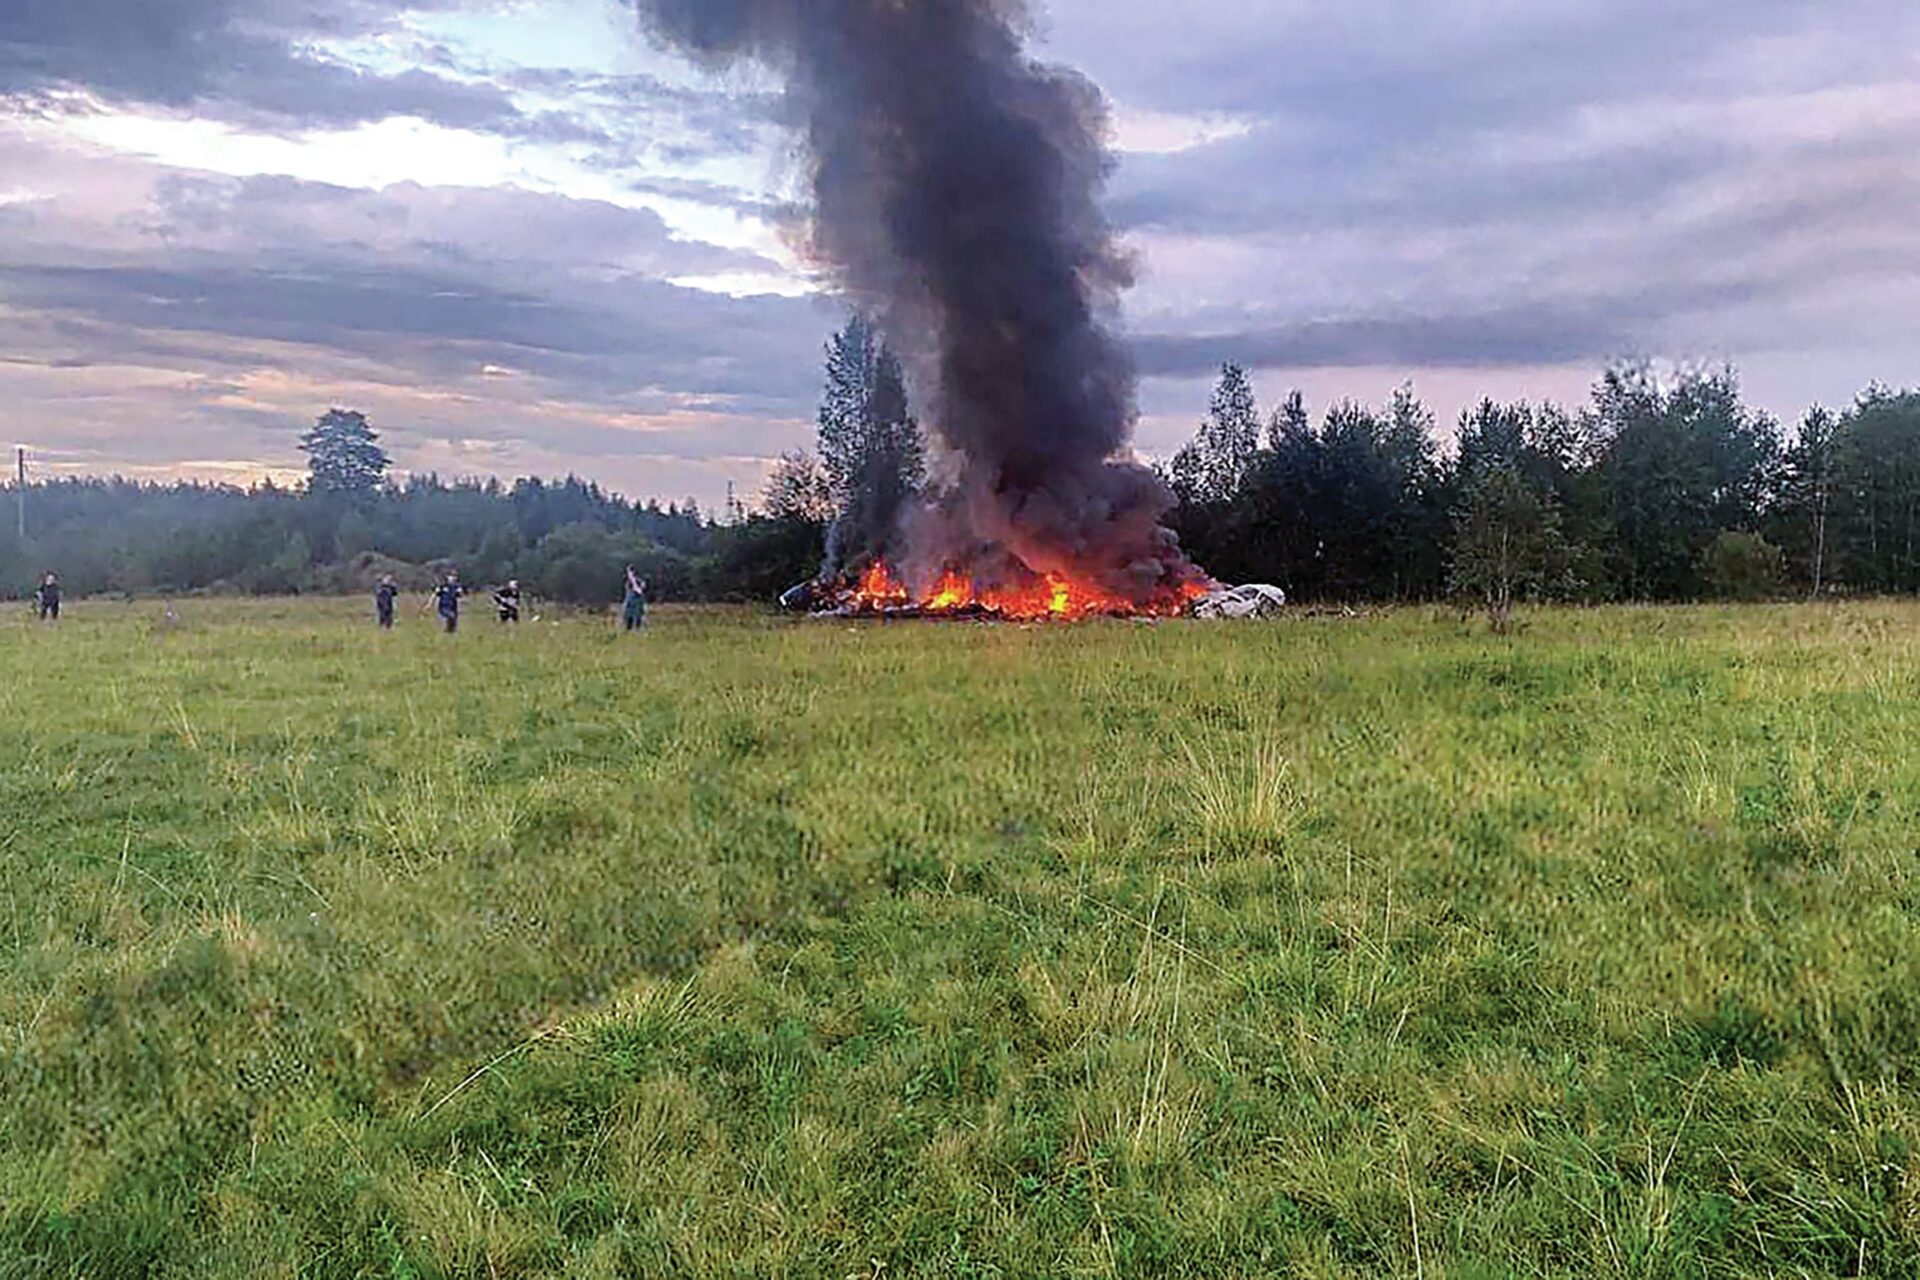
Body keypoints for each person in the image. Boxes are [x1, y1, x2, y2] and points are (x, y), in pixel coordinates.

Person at [622, 566, 648, 631]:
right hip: (630, 600)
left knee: (637, 615)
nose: (628, 573)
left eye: (629, 572)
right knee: (628, 616)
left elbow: (640, 590)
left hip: (636, 600)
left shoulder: (638, 581)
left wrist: (635, 584)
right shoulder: (628, 581)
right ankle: (629, 629)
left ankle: (637, 629)